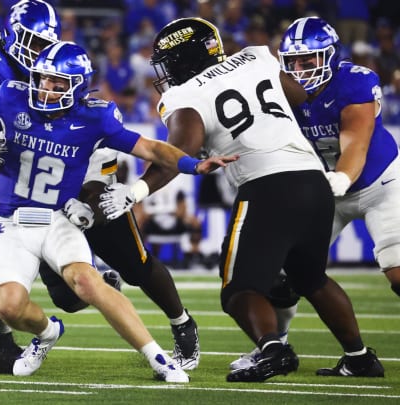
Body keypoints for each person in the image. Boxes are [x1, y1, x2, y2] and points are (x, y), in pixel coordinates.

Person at [0, 0, 203, 373]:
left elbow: (124, 156)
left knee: (5, 257)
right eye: (36, 47)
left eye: (58, 80)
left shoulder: (86, 110)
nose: (44, 70)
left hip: (61, 191)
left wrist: (102, 194)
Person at [97, 17, 384, 382]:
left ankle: (273, 350)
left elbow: (177, 152)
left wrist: (135, 191)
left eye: (169, 63)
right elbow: (299, 95)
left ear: (185, 61)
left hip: (266, 187)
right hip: (313, 181)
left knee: (238, 290)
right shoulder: (256, 57)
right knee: (311, 278)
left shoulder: (184, 95)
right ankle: (359, 359)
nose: (166, 72)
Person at [0, 40, 235, 379]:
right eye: (41, 79)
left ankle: (160, 355)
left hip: (68, 213)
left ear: (77, 85)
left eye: (57, 83)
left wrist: (191, 165)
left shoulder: (97, 118)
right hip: (13, 222)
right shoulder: (12, 98)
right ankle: (47, 333)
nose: (45, 89)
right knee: (23, 303)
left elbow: (149, 149)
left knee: (100, 278)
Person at [229, 16, 398, 376]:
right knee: (282, 278)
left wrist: (342, 177)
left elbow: (357, 140)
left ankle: (354, 357)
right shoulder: (277, 90)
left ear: (331, 56)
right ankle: (276, 347)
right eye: (293, 63)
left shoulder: (355, 81)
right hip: (322, 188)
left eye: (310, 60)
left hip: (378, 183)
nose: (301, 69)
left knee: (397, 271)